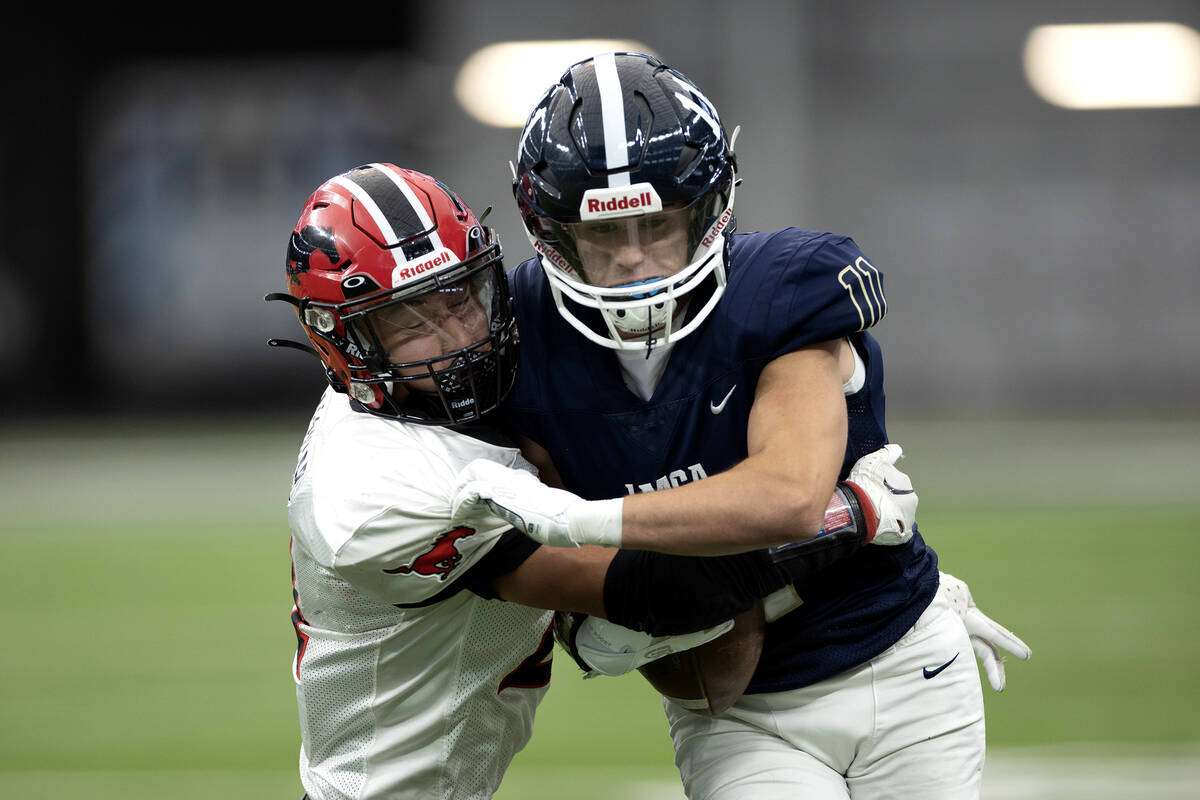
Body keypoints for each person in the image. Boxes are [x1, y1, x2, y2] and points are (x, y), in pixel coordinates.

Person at [268, 162, 979, 799]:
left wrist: (907, 600)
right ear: (344, 341)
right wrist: (855, 515)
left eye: (460, 298)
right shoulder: (367, 491)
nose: (458, 337)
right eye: (408, 322)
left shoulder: (494, 397)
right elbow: (662, 591)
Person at [449, 52, 1031, 799]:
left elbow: (786, 493)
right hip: (738, 710)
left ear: (708, 206)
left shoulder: (783, 286)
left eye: (657, 225)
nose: (633, 261)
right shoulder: (520, 333)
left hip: (897, 660)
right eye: (604, 237)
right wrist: (844, 520)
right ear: (552, 231)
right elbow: (537, 574)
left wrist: (582, 521)